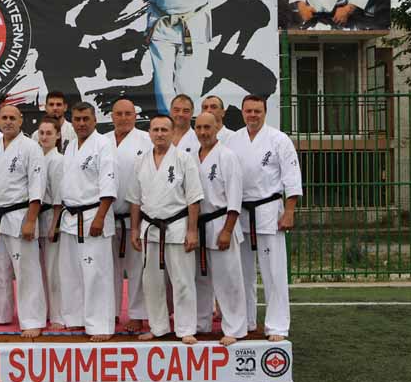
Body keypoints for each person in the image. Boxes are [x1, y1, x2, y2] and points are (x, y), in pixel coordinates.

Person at [226, 95, 303, 341]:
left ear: (265, 112)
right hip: (240, 213)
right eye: (248, 111)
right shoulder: (233, 140)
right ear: (242, 112)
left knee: (273, 272)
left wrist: (289, 211)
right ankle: (246, 321)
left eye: (257, 111)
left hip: (269, 211)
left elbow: (292, 177)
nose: (253, 115)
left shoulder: (279, 140)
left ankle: (277, 326)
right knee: (242, 273)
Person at [129, 114, 203, 344]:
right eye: (156, 129)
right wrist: (134, 229)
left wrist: (192, 230)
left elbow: (194, 199)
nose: (160, 134)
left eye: (164, 130)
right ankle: (158, 327)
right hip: (150, 229)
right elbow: (135, 200)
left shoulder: (184, 159)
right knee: (151, 282)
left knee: (183, 281)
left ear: (172, 133)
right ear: (149, 133)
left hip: (177, 227)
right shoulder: (140, 161)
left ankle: (186, 329)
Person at [0, 105, 48, 338]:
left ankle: (33, 319)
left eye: (12, 118)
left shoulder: (31, 147)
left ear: (21, 121)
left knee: (27, 271)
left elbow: (37, 186)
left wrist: (31, 220)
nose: (8, 121)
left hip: (20, 216)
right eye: (4, 117)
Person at [53, 102, 117, 342]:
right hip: (70, 218)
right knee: (71, 272)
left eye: (85, 119)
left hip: (92, 216)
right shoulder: (70, 146)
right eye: (77, 119)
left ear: (95, 120)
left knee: (96, 273)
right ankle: (76, 318)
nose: (81, 124)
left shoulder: (103, 145)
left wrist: (100, 217)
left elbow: (109, 185)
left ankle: (101, 325)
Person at [192, 112, 248, 345]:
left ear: (217, 128)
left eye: (207, 127)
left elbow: (235, 198)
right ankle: (201, 323)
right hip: (198, 225)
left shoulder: (227, 156)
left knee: (228, 279)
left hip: (221, 222)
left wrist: (227, 230)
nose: (203, 132)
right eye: (199, 128)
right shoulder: (192, 157)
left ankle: (234, 328)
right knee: (200, 278)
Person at [104, 98, 151, 332]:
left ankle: (137, 315)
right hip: (106, 216)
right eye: (119, 114)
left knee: (136, 268)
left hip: (135, 216)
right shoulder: (101, 141)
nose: (123, 118)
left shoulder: (146, 140)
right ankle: (109, 312)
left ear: (135, 116)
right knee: (107, 268)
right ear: (111, 116)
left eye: (128, 114)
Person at [36, 117, 65, 329]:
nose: (45, 137)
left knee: (54, 269)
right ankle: (44, 310)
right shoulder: (38, 158)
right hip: (37, 216)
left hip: (51, 216)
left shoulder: (58, 161)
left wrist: (55, 225)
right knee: (40, 268)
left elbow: (58, 198)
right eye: (42, 133)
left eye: (49, 133)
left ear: (58, 136)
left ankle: (58, 316)